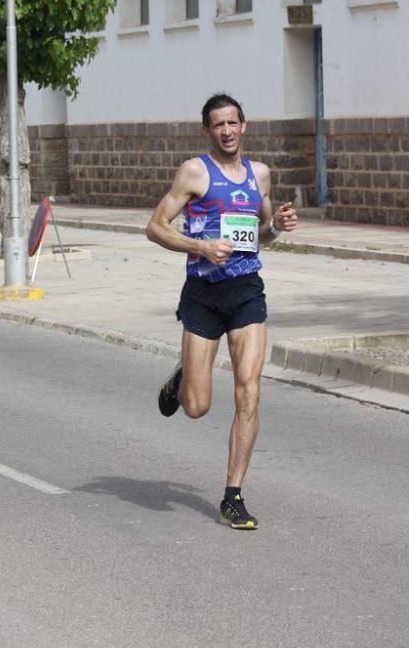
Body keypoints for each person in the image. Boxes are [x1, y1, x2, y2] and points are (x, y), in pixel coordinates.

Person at [145, 93, 298, 530]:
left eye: (233, 123)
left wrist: (278, 227)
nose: (227, 131)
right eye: (218, 125)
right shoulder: (195, 172)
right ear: (207, 131)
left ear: (244, 126)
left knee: (248, 390)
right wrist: (200, 246)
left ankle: (233, 495)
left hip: (247, 291)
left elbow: (261, 232)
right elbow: (155, 227)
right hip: (203, 294)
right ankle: (182, 381)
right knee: (196, 407)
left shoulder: (260, 175)